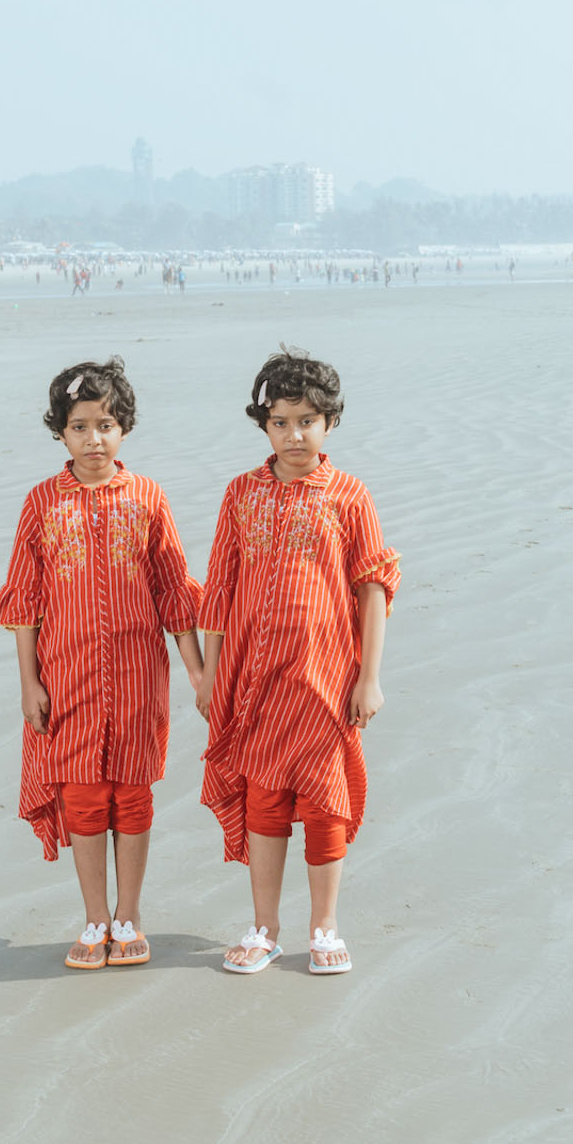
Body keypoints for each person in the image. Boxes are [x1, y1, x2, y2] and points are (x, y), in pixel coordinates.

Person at [0, 358, 203, 969]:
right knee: (82, 799)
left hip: (138, 677)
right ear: (61, 432)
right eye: (80, 426)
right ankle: (94, 919)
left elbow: (174, 594)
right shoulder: (41, 503)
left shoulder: (148, 497)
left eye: (106, 425)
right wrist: (29, 684)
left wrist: (197, 671)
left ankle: (129, 919)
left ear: (124, 428)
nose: (93, 439)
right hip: (65, 676)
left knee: (130, 796)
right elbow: (24, 601)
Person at [198, 348, 399, 977]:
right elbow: (220, 590)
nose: (294, 434)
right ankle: (264, 928)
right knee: (263, 803)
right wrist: (209, 673)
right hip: (254, 680)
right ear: (264, 424)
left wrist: (368, 677)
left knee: (323, 804)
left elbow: (373, 586)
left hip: (325, 680)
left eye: (307, 420)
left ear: (330, 423)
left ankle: (324, 926)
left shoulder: (349, 495)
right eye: (280, 421)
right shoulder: (241, 494)